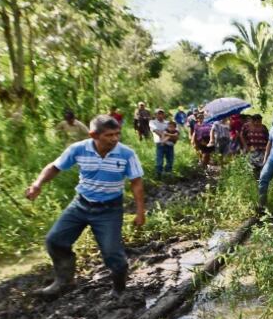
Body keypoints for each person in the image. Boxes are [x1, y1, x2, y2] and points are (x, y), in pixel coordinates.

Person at [25, 115, 145, 297]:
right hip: (81, 205)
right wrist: (37, 184)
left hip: (109, 209)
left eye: (117, 134)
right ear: (93, 135)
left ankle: (119, 290)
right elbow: (54, 167)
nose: (115, 139)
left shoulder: (126, 154)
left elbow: (136, 182)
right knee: (54, 240)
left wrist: (140, 212)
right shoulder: (78, 149)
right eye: (109, 135)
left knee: (113, 254)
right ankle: (64, 281)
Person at [240, 114, 270, 178]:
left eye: (260, 121)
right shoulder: (246, 126)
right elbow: (242, 136)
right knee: (253, 166)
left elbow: (268, 139)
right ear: (253, 121)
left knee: (262, 166)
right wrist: (245, 146)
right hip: (252, 150)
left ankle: (261, 179)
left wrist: (267, 149)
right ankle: (255, 179)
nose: (260, 123)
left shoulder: (263, 127)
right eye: (258, 122)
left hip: (262, 150)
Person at [149, 108, 171, 177]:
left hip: (168, 143)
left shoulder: (167, 122)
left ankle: (168, 174)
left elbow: (171, 131)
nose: (160, 115)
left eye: (162, 113)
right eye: (159, 114)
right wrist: (165, 134)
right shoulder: (152, 122)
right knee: (159, 161)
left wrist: (167, 134)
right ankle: (159, 175)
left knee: (170, 160)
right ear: (155, 115)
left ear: (164, 115)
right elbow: (155, 131)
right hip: (159, 143)